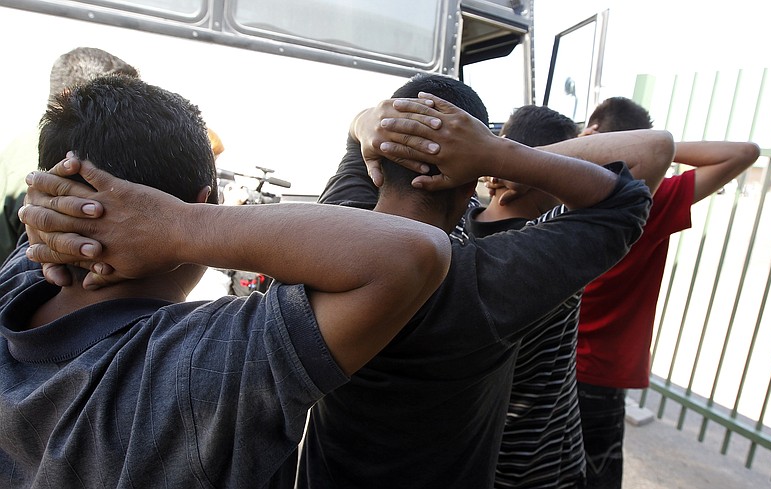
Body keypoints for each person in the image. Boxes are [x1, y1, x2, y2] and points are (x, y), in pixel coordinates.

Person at [3, 74, 452, 488]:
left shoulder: (14, 283)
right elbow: (415, 252)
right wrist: (179, 226)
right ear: (205, 202)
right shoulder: (194, 364)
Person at [296, 74, 666, 488]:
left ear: (375, 160)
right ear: (472, 179)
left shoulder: (333, 233)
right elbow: (636, 182)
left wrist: (367, 121)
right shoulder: (489, 280)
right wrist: (496, 154)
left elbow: (358, 142)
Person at [471, 105, 672, 489]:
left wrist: (497, 154)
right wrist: (511, 158)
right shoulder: (553, 244)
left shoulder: (454, 233)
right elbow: (657, 149)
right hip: (542, 468)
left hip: (474, 459)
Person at [575, 96, 761, 489]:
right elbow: (744, 153)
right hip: (601, 374)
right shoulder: (650, 202)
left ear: (591, 135)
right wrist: (657, 146)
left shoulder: (555, 193)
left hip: (543, 364)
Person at [0, 47, 138, 261]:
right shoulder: (86, 158)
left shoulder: (19, 144)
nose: (133, 114)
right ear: (70, 100)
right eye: (118, 103)